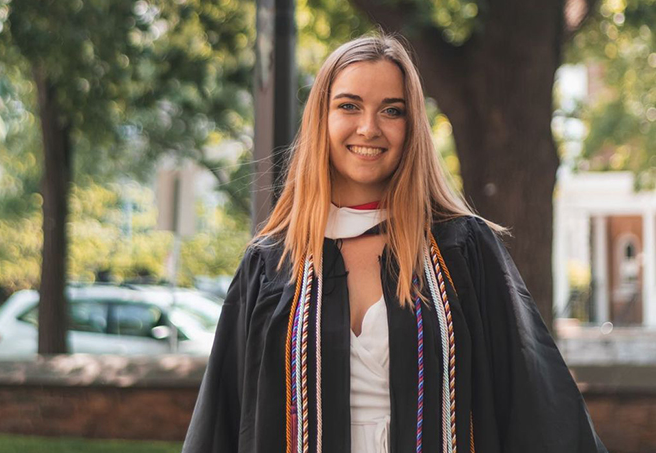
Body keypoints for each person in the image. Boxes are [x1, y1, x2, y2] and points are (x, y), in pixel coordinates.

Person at [182, 34, 607, 453]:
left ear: (412, 126)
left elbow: (534, 402)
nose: (369, 127)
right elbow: (224, 417)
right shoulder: (272, 263)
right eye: (348, 105)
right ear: (321, 119)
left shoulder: (460, 249)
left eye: (392, 110)